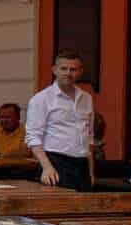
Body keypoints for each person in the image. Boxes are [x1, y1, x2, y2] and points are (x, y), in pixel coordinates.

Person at [26, 49, 94, 191]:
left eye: (73, 69)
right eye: (64, 69)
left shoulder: (86, 98)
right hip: (55, 164)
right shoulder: (41, 99)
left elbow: (89, 137)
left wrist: (91, 172)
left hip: (82, 166)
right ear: (54, 70)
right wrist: (47, 167)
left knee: (84, 211)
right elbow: (33, 137)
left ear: (80, 72)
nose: (68, 73)